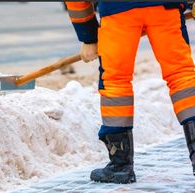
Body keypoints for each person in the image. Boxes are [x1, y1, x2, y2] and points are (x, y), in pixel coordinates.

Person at [65, 1, 195, 184]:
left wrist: (88, 36)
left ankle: (120, 166)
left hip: (118, 11)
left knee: (115, 82)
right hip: (164, 8)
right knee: (182, 76)